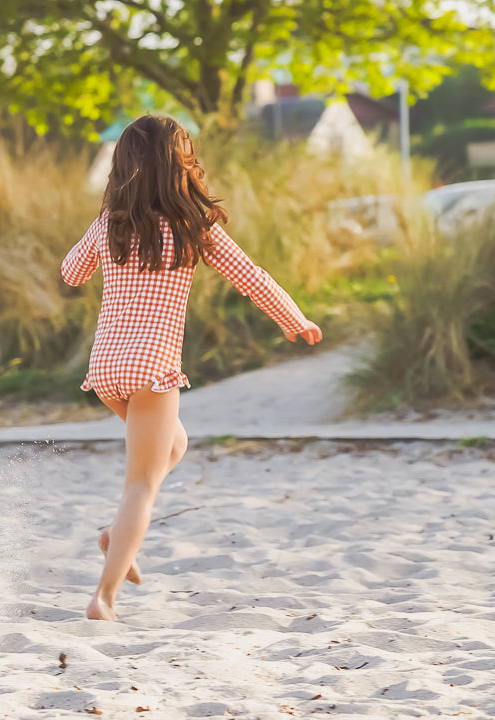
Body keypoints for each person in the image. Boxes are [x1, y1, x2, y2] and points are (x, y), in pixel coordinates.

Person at [60, 115, 323, 621]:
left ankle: (117, 535)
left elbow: (71, 273)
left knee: (173, 447)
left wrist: (100, 229)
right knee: (141, 485)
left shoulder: (109, 223)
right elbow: (252, 277)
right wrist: (294, 319)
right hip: (153, 368)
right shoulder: (191, 227)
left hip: (107, 369)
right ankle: (105, 597)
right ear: (181, 166)